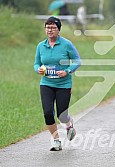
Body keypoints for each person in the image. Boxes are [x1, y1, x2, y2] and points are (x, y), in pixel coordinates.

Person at [34, 16, 81, 151]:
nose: (50, 30)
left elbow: (77, 61)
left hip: (63, 85)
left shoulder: (66, 44)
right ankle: (56, 140)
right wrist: (38, 69)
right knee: (48, 113)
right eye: (48, 27)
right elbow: (37, 63)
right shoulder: (41, 46)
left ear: (58, 30)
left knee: (61, 114)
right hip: (46, 83)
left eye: (53, 27)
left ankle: (68, 125)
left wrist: (67, 71)